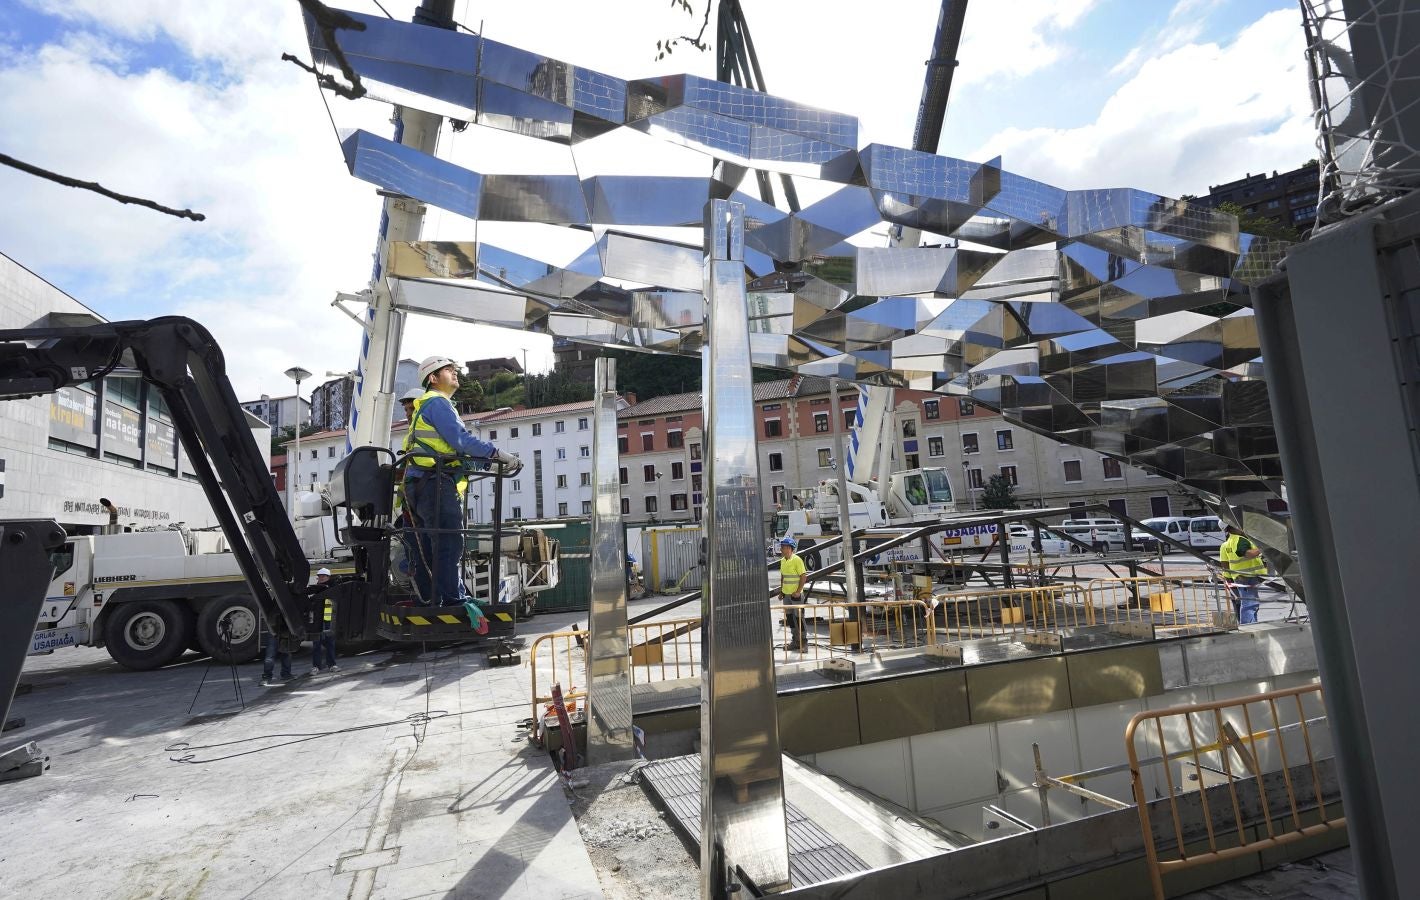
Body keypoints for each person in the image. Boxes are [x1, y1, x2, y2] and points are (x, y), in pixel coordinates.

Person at [404, 356, 522, 607]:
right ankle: (453, 599)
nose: (455, 372)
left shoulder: (428, 406)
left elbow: (453, 452)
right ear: (433, 378)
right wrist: (497, 454)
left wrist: (483, 462)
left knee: (433, 544)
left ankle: (440, 598)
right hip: (434, 483)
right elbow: (462, 441)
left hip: (422, 483)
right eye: (447, 370)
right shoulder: (438, 403)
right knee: (449, 541)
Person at [1219, 523, 1267, 624]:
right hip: (1247, 578)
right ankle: (1249, 628)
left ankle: (1252, 625)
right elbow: (1248, 553)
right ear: (1233, 527)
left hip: (1237, 579)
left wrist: (1229, 580)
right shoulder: (1240, 540)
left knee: (1247, 604)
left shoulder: (1226, 545)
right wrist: (1262, 548)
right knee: (1249, 604)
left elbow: (1225, 566)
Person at [778, 536, 807, 652]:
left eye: (784, 547)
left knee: (799, 619)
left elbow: (803, 576)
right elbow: (783, 576)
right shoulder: (782, 561)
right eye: (782, 547)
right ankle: (795, 641)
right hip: (787, 595)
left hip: (796, 596)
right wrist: (781, 591)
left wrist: (798, 591)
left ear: (790, 548)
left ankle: (804, 642)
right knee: (790, 619)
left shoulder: (797, 560)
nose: (782, 549)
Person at [310, 568, 338, 674]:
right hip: (317, 621)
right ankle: (316, 666)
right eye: (319, 576)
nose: (321, 577)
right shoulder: (315, 589)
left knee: (330, 643)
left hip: (328, 620)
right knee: (316, 644)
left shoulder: (333, 588)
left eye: (323, 576)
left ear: (328, 577)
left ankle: (332, 664)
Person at [260, 615, 293, 685]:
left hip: (275, 624)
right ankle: (285, 674)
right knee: (284, 651)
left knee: (271, 652)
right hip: (283, 623)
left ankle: (267, 676)